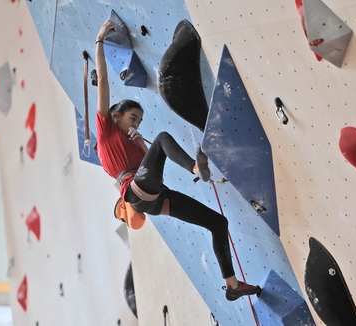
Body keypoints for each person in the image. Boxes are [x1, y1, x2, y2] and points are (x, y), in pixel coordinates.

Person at [95, 20, 261, 301]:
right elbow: (103, 81)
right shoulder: (105, 130)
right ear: (116, 117)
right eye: (132, 118)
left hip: (155, 198)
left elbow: (149, 165)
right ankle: (196, 167)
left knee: (218, 223)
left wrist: (136, 141)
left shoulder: (131, 144)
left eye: (139, 119)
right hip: (135, 192)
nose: (136, 123)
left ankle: (232, 285)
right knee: (160, 138)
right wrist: (99, 41)